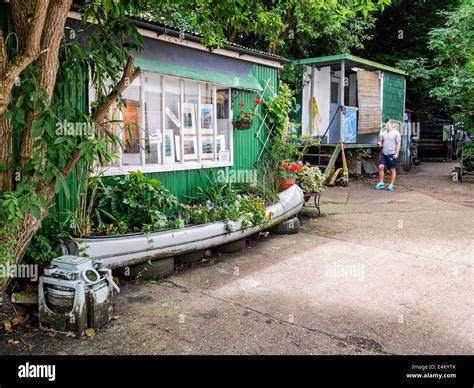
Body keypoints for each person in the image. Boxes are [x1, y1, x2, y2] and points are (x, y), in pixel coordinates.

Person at [374, 118, 401, 191]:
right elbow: (381, 142)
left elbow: (398, 144)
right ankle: (381, 183)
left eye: (388, 125)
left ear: (391, 125)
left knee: (392, 169)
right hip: (384, 153)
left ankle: (391, 185)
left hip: (392, 154)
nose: (386, 127)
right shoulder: (383, 133)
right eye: (385, 125)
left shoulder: (396, 133)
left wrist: (397, 153)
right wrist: (379, 144)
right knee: (381, 167)